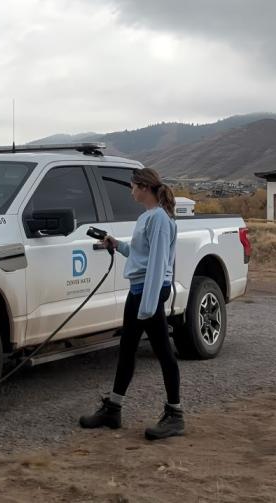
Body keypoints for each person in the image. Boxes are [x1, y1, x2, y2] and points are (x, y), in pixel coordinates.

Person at [79, 167, 183, 440]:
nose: (131, 190)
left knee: (163, 353)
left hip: (148, 293)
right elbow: (141, 256)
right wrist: (117, 244)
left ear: (145, 187)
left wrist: (147, 305)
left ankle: (175, 415)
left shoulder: (159, 219)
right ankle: (113, 409)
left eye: (133, 186)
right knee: (127, 350)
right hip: (139, 290)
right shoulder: (147, 217)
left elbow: (159, 264)